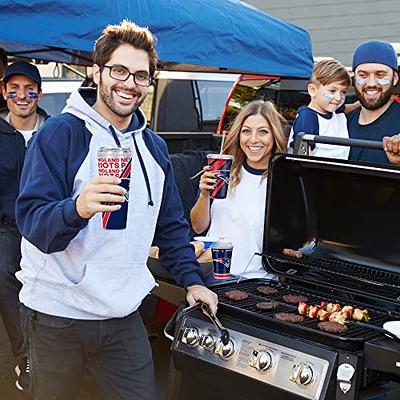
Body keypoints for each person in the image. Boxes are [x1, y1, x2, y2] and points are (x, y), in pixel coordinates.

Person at [15, 20, 217, 400]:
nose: (129, 83)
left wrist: (193, 282)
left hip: (123, 318)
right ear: (97, 72)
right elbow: (34, 225)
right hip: (58, 317)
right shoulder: (61, 133)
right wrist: (77, 208)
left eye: (141, 75)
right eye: (119, 71)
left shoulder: (154, 148)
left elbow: (171, 226)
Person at [190, 100, 287, 279]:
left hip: (256, 281)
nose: (253, 140)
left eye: (263, 132)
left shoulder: (283, 181)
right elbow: (198, 227)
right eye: (246, 131)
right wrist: (204, 194)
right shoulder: (223, 172)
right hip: (213, 276)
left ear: (275, 136)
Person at [0, 60, 47, 391]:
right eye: (13, 88)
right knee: (7, 283)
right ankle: (25, 355)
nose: (21, 95)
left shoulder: (55, 131)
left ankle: (45, 352)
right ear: (3, 93)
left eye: (29, 88)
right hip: (7, 230)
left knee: (45, 292)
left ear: (39, 94)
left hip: (46, 228)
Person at [288, 58, 357, 159]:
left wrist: (358, 105)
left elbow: (347, 108)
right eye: (332, 91)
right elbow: (303, 154)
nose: (338, 98)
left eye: (343, 92)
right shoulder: (308, 118)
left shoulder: (335, 109)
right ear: (313, 90)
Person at [347, 40, 400, 165]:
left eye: (380, 75)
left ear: (394, 78)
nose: (371, 83)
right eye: (363, 75)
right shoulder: (340, 122)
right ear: (354, 79)